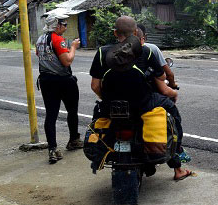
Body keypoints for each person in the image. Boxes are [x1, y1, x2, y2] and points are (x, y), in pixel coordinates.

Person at [90, 16, 193, 181]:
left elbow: (95, 86)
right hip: (143, 105)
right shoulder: (146, 51)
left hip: (112, 107)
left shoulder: (102, 52)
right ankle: (178, 164)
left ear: (115, 33)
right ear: (136, 33)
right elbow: (162, 87)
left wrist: (108, 100)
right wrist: (174, 93)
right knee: (172, 114)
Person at [35, 13, 82, 164]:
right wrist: (73, 47)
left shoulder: (40, 39)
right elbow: (67, 61)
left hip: (46, 80)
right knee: (72, 110)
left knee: (51, 115)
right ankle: (74, 139)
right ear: (57, 25)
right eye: (64, 24)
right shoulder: (57, 39)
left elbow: (40, 55)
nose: (66, 26)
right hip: (62, 80)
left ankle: (52, 149)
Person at [137, 23, 177, 89]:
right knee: (172, 94)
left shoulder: (120, 48)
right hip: (144, 89)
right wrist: (173, 85)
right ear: (144, 37)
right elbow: (167, 74)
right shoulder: (151, 48)